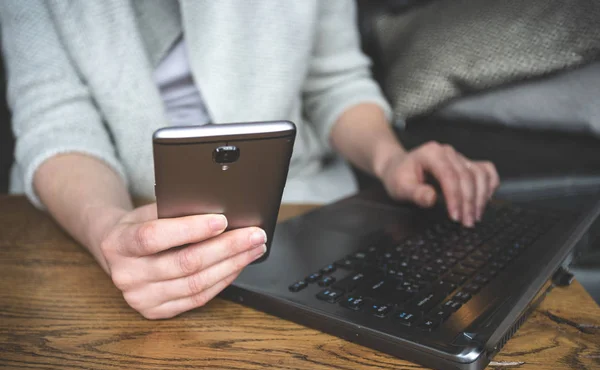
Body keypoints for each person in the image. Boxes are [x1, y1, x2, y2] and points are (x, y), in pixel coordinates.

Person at [0, 0, 499, 319]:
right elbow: (56, 120)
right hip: (103, 210)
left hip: (298, 210)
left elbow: (335, 81)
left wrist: (389, 159)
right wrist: (108, 230)